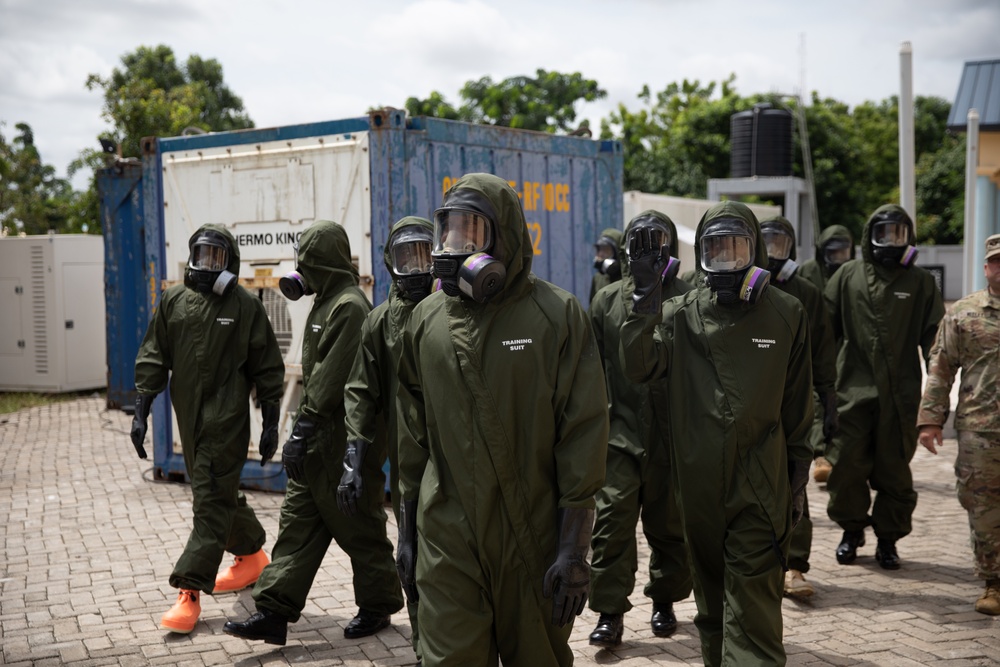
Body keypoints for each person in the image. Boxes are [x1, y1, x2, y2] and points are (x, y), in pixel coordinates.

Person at [393, 173, 609, 666]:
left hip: (532, 540)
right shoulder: (426, 320)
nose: (456, 244)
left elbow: (584, 430)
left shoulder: (556, 315)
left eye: (473, 231)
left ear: (505, 237)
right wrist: (407, 534)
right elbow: (410, 434)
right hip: (447, 537)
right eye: (449, 230)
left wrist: (575, 549)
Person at [620, 201, 813, 666]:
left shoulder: (786, 313)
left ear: (757, 252)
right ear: (700, 256)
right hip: (698, 488)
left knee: (753, 612)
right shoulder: (680, 313)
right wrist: (644, 299)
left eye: (737, 248)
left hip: (760, 486)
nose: (727, 261)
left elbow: (797, 405)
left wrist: (798, 477)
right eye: (715, 250)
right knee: (711, 609)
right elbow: (639, 366)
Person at [223, 220, 403, 646]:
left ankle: (378, 605)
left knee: (359, 528)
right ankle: (273, 610)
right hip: (316, 441)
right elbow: (316, 376)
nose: (302, 272)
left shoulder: (349, 306)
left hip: (342, 443)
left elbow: (332, 379)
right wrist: (303, 434)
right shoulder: (325, 302)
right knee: (297, 527)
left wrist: (300, 431)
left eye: (310, 263)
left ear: (326, 263)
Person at [131, 224, 285, 634]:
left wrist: (271, 421)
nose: (207, 265)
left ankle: (189, 588)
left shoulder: (243, 305)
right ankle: (252, 556)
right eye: (201, 256)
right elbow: (153, 354)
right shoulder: (174, 302)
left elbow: (267, 364)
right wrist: (140, 409)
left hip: (227, 421)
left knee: (210, 504)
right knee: (215, 493)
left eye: (216, 258)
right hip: (190, 421)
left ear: (229, 262)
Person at [587, 210, 693, 648]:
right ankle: (610, 612)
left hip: (673, 435)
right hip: (619, 435)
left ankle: (665, 601)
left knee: (669, 524)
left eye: (658, 240)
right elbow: (589, 371)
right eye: (641, 240)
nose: (650, 248)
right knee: (611, 525)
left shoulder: (688, 300)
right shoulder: (607, 301)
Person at [335, 215, 435, 662]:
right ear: (389, 263)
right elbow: (360, 390)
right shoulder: (379, 323)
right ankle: (423, 647)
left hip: (465, 457)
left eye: (424, 256)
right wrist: (355, 457)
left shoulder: (459, 310)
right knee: (411, 557)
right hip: (411, 466)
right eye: (404, 258)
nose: (416, 269)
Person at [824, 204, 944, 569]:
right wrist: (820, 394)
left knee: (894, 470)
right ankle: (852, 530)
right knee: (846, 466)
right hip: (852, 392)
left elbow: (934, 344)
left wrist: (934, 403)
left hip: (902, 395)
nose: (891, 242)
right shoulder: (847, 276)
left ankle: (888, 539)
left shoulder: (920, 282)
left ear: (908, 238)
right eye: (884, 234)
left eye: (899, 234)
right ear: (869, 237)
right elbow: (825, 336)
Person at [916, 232, 1000, 615]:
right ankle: (992, 582)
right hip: (980, 429)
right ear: (986, 268)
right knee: (981, 505)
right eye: (997, 261)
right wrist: (931, 421)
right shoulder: (964, 313)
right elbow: (941, 369)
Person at [760, 215, 839, 599]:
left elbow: (824, 351)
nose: (773, 252)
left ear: (792, 249)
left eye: (780, 244)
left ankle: (794, 567)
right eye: (767, 243)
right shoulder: (737, 290)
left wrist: (829, 398)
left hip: (793, 403)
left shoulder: (806, 293)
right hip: (750, 403)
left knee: (795, 481)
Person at [798, 223, 855, 483]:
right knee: (815, 399)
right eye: (834, 254)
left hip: (842, 344)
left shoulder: (852, 274)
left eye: (844, 254)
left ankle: (834, 454)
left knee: (838, 400)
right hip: (812, 342)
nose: (839, 260)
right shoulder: (808, 272)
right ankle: (821, 454)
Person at [590, 227, 624, 305]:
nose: (601, 254)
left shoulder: (629, 279)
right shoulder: (597, 278)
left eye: (606, 250)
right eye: (600, 249)